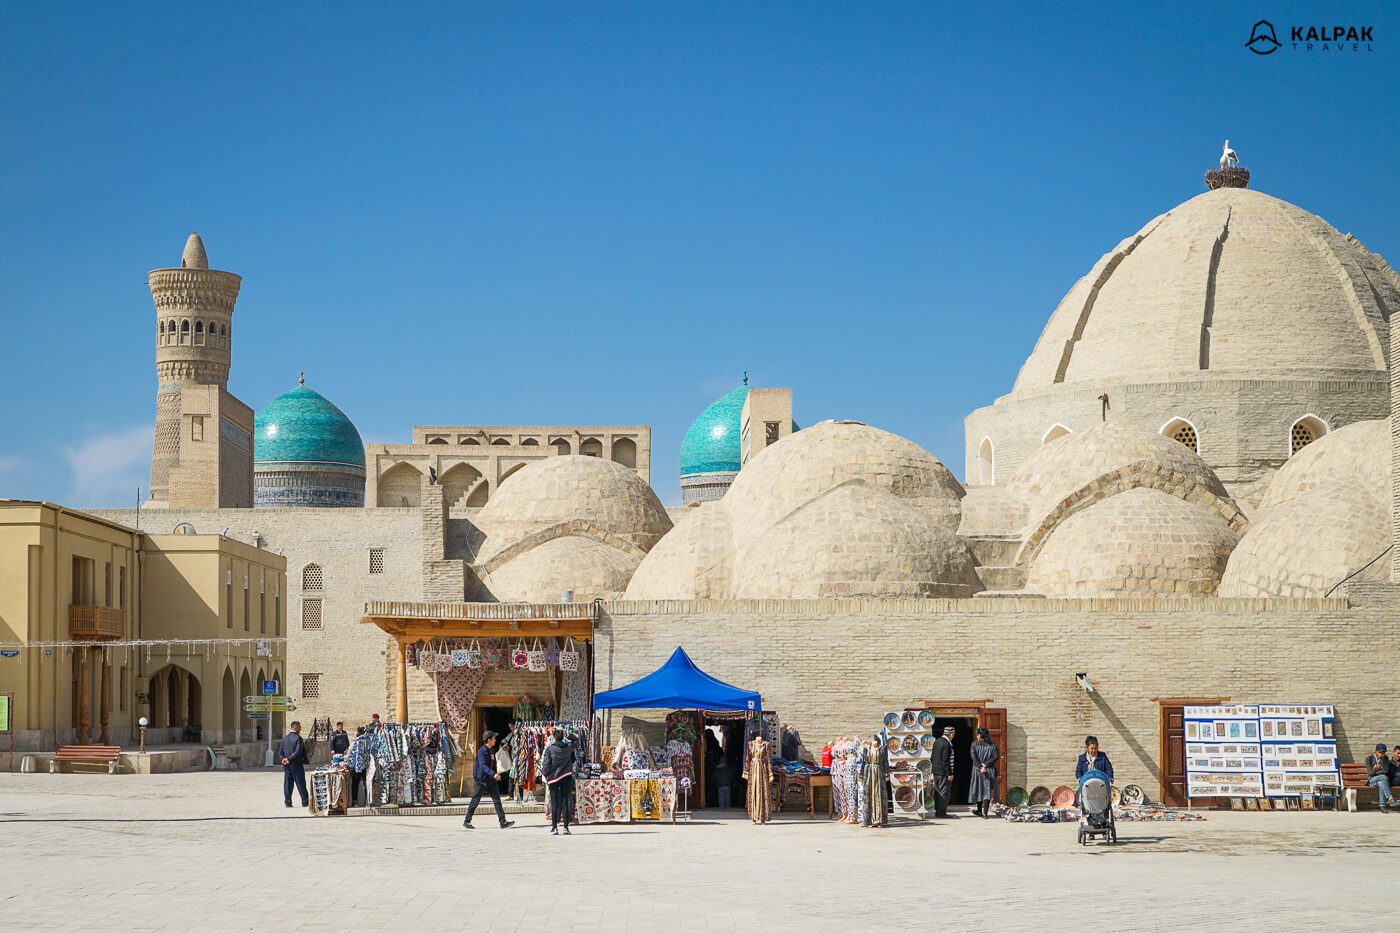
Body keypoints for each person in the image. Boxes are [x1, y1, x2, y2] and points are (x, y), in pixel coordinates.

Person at [463, 731, 515, 829]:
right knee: (475, 801)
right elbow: (483, 766)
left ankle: (503, 822)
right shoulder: (482, 751)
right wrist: (493, 774)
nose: (495, 740)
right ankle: (467, 821)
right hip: (482, 780)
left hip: (491, 781)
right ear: (489, 740)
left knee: (497, 801)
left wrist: (495, 774)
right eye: (494, 738)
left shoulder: (492, 750)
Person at [540, 728, 577, 835]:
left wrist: (546, 775)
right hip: (566, 777)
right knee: (565, 802)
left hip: (553, 779)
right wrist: (569, 735)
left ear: (554, 738)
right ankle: (565, 828)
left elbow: (546, 765)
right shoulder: (568, 747)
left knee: (554, 802)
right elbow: (576, 741)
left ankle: (554, 827)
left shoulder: (550, 749)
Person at [742, 728, 773, 824]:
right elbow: (747, 758)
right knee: (753, 791)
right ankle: (754, 817)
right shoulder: (750, 744)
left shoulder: (766, 744)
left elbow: (769, 759)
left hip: (762, 769)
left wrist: (770, 772)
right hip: (753, 769)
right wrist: (746, 771)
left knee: (763, 791)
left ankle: (763, 817)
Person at [969, 727, 999, 818]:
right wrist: (986, 764)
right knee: (987, 790)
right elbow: (995, 757)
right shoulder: (993, 745)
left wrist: (980, 767)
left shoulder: (974, 744)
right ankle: (985, 812)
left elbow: (974, 757)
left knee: (979, 789)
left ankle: (979, 810)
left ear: (979, 735)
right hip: (989, 770)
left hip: (978, 770)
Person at [278, 721, 308, 809]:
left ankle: (288, 802)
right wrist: (289, 759)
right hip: (296, 764)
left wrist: (283, 759)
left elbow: (280, 752)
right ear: (295, 727)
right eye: (299, 727)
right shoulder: (298, 738)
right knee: (300, 783)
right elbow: (298, 752)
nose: (300, 729)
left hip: (286, 765)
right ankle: (305, 801)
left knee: (288, 784)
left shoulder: (284, 739)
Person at [929, 725, 955, 817]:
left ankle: (937, 810)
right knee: (944, 792)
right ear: (951, 734)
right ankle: (941, 812)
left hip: (936, 771)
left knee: (938, 791)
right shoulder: (947, 744)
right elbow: (945, 761)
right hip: (943, 772)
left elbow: (932, 758)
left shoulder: (937, 742)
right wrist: (949, 773)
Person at [1367, 743, 1395, 812]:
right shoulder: (1369, 758)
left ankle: (1382, 806)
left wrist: (1382, 762)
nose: (1382, 754)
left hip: (1382, 780)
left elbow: (1385, 771)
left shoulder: (1385, 758)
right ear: (1376, 751)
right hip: (1372, 780)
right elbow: (1370, 774)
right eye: (1380, 752)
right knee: (1383, 777)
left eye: (1384, 753)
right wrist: (1374, 770)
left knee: (1381, 782)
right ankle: (1390, 798)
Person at [347, 726, 369, 807]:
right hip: (365, 766)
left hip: (355, 766)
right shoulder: (367, 743)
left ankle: (355, 800)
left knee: (355, 784)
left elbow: (349, 754)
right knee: (366, 784)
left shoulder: (353, 743)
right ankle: (367, 801)